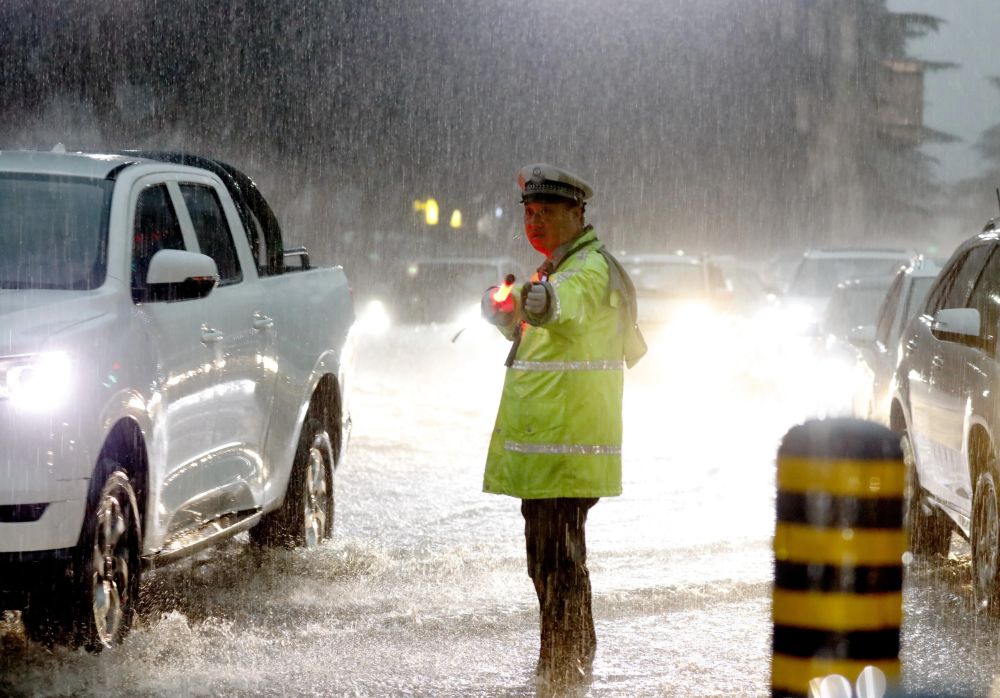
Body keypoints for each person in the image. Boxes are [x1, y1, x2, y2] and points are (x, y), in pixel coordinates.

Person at [481, 163, 645, 685]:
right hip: (550, 451)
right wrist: (509, 314)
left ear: (578, 213)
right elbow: (542, 329)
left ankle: (563, 665)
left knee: (555, 564)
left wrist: (543, 301)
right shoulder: (558, 266)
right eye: (530, 213)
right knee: (555, 562)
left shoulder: (586, 269)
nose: (536, 222)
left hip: (564, 450)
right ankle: (568, 657)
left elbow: (565, 305)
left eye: (547, 212)